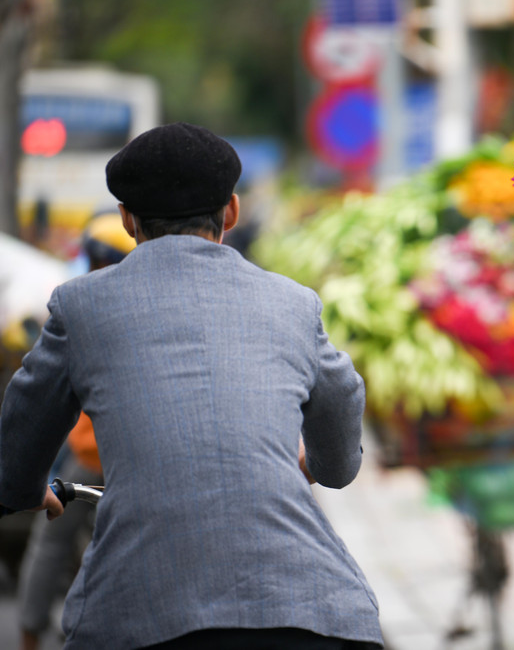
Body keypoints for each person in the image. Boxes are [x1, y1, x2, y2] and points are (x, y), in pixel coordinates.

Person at [0, 122, 383, 649]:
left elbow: (21, 434)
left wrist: (24, 491)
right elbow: (342, 410)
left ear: (127, 219)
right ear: (232, 211)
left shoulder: (79, 305)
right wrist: (320, 465)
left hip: (137, 621)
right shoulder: (293, 302)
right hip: (313, 614)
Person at [17, 212, 135, 650]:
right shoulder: (143, 307)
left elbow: (36, 395)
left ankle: (30, 632)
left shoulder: (79, 303)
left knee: (50, 540)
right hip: (129, 454)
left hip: (85, 451)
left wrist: (20, 483)